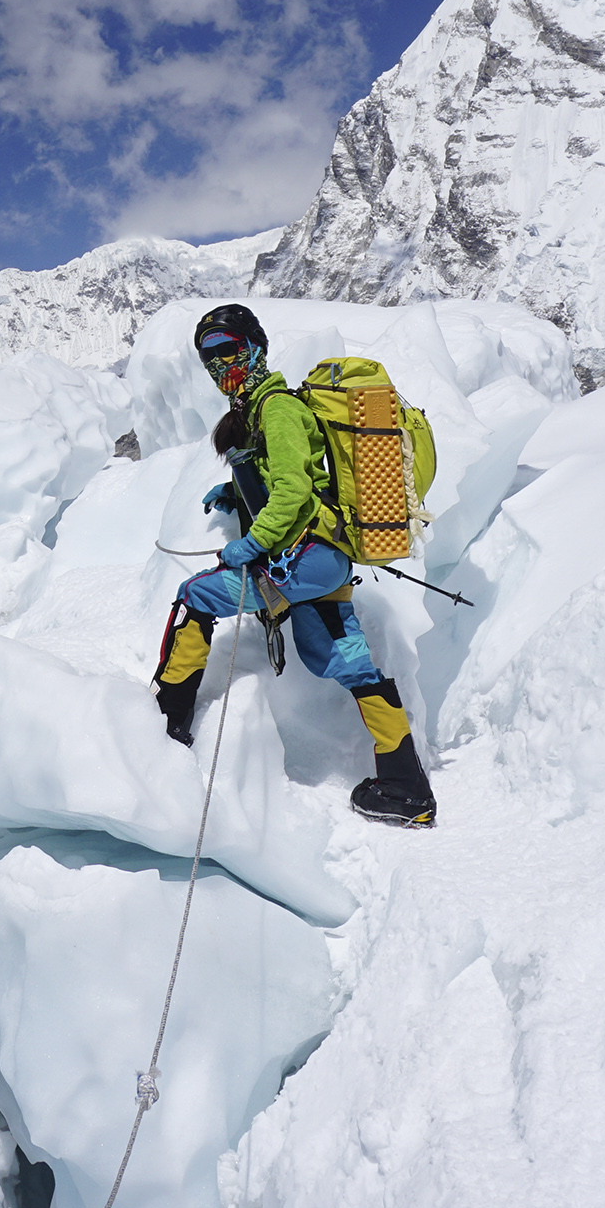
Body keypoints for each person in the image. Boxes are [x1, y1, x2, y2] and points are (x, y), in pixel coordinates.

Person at [151, 304, 437, 827]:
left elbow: (294, 489)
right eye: (208, 358)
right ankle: (407, 789)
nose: (220, 365)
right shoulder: (261, 407)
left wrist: (250, 543)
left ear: (255, 347)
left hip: (298, 561)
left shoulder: (277, 408)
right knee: (348, 662)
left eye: (228, 351)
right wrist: (236, 494)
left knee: (196, 597)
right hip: (321, 561)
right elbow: (286, 477)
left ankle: (164, 730)